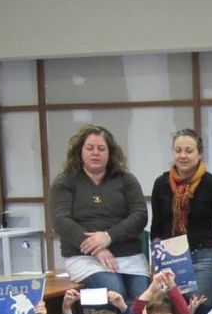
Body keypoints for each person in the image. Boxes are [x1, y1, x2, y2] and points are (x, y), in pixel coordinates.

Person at [51, 124, 150, 302]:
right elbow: (60, 220)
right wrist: (96, 248)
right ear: (79, 151)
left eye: (101, 148)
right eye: (90, 148)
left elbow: (140, 215)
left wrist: (109, 236)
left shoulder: (126, 180)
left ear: (110, 153)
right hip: (85, 258)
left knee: (143, 299)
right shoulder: (65, 181)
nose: (95, 153)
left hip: (129, 256)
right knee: (115, 291)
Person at [150, 128, 212, 306]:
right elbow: (157, 228)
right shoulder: (161, 184)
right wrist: (156, 264)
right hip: (171, 258)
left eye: (189, 151)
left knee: (197, 309)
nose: (183, 155)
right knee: (172, 310)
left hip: (204, 257)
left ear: (200, 154)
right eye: (178, 151)